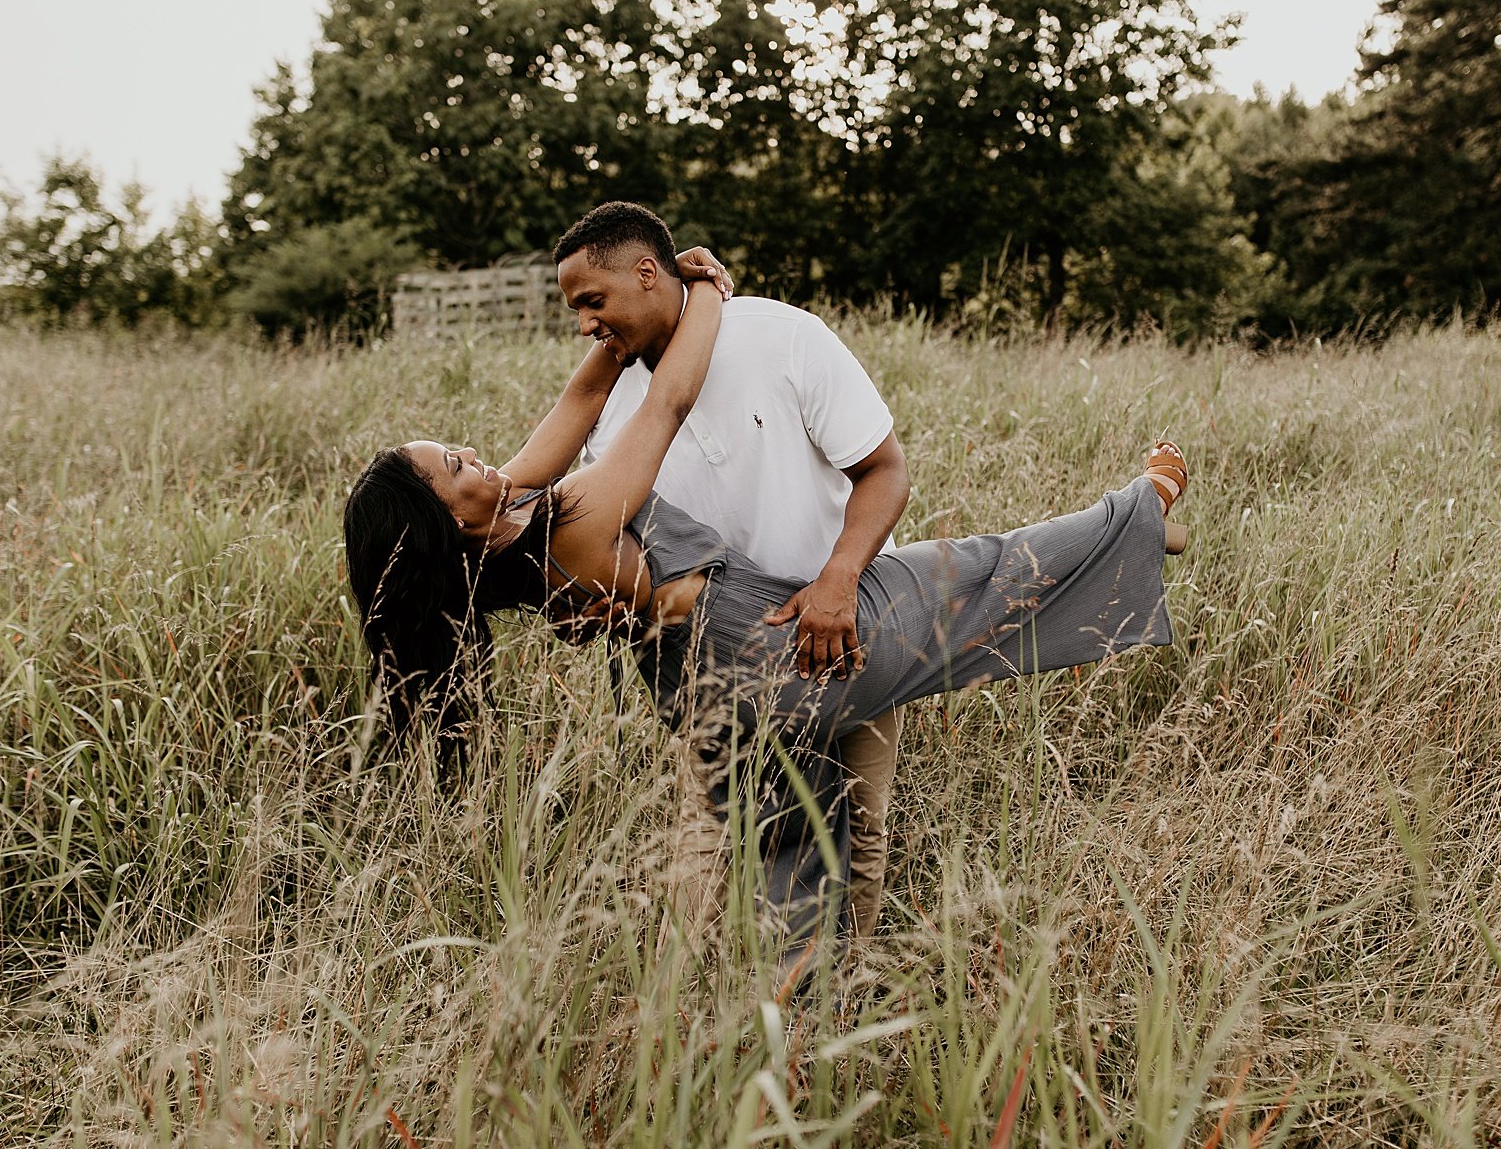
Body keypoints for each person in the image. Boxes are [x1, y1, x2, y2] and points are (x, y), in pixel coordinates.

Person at [342, 262, 1191, 950]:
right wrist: (703, 292)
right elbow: (668, 401)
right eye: (456, 462)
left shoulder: (512, 529)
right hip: (779, 647)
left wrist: (617, 329)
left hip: (704, 691)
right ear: (448, 514)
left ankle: (799, 1017)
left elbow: (575, 407)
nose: (478, 457)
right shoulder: (572, 522)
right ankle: (1143, 509)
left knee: (795, 859)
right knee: (981, 575)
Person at [551, 202, 910, 940]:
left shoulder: (781, 335)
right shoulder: (613, 414)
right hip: (717, 669)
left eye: (594, 301)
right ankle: (698, 1024)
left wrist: (838, 579)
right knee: (709, 844)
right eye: (576, 310)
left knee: (857, 832)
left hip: (842, 633)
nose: (585, 324)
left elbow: (885, 469)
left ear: (648, 272)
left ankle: (831, 1018)